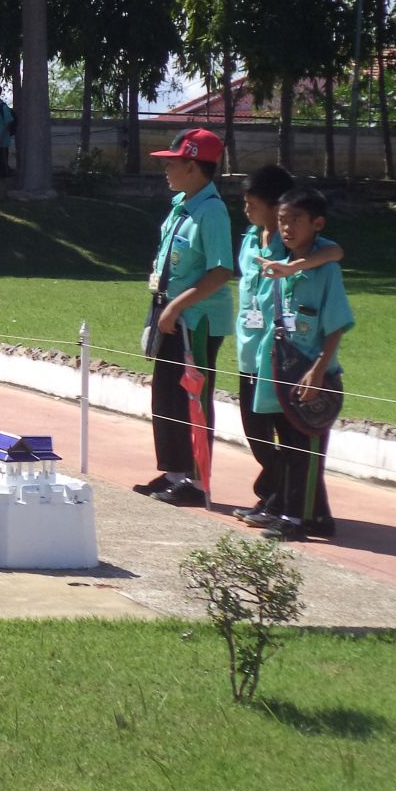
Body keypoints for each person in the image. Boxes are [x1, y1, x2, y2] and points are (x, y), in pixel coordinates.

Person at [232, 166, 343, 527]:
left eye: (253, 203)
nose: (247, 209)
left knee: (298, 439)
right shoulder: (251, 238)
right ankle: (294, 505)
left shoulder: (300, 251)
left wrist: (295, 267)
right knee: (259, 434)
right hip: (253, 354)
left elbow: (335, 253)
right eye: (284, 219)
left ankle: (294, 509)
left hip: (291, 363)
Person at [134, 127, 234, 507]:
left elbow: (221, 271)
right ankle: (175, 472)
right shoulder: (182, 205)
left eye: (173, 163)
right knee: (166, 395)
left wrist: (177, 306)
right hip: (170, 315)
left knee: (193, 397)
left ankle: (196, 480)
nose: (167, 170)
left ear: (193, 166)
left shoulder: (212, 211)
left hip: (196, 320)